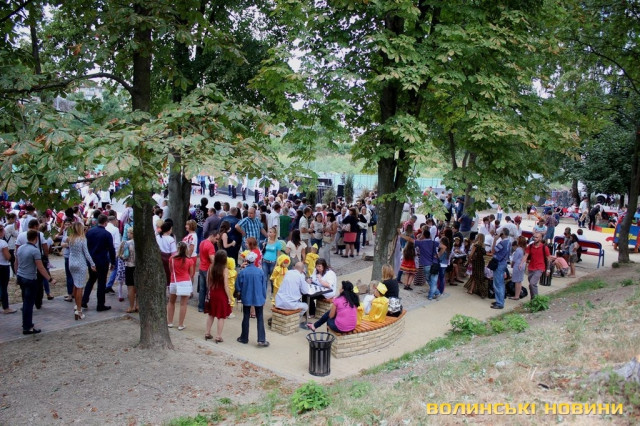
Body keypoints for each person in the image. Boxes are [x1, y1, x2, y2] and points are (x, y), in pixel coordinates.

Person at [17, 230, 57, 334]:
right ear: (36, 238)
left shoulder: (21, 248)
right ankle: (27, 326)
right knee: (29, 303)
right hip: (30, 278)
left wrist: (17, 275)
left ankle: (26, 324)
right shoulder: (35, 251)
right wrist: (50, 279)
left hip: (21, 276)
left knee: (26, 301)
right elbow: (41, 267)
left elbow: (16, 262)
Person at [81, 214, 116, 311]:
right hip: (102, 261)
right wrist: (113, 262)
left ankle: (84, 300)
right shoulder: (107, 234)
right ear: (105, 223)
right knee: (101, 282)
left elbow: (86, 246)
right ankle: (100, 304)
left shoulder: (90, 232)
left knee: (91, 280)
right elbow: (111, 249)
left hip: (91, 260)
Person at [235, 251, 269, 347]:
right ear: (254, 261)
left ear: (246, 260)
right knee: (260, 318)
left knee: (246, 317)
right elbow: (264, 287)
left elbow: (238, 286)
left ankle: (244, 338)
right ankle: (261, 339)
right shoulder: (260, 272)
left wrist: (240, 292)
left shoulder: (243, 272)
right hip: (259, 298)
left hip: (246, 296)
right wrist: (264, 298)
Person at [399, 228, 441, 300]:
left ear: (424, 235)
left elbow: (409, 239)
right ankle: (436, 293)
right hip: (435, 263)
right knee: (433, 281)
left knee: (429, 280)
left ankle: (431, 295)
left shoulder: (421, 243)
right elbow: (444, 247)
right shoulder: (434, 242)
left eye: (422, 234)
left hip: (426, 264)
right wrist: (439, 255)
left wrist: (400, 234)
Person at [67, 222, 96, 319]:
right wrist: (92, 264)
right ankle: (79, 310)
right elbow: (86, 253)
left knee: (76, 284)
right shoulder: (82, 239)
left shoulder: (70, 238)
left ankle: (77, 305)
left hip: (71, 263)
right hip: (80, 263)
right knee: (80, 287)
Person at [204, 250, 232, 342]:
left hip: (212, 292)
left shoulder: (211, 267)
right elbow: (226, 285)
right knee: (221, 316)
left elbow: (207, 281)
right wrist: (229, 297)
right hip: (221, 294)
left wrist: (209, 290)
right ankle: (218, 336)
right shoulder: (225, 269)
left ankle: (207, 333)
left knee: (211, 314)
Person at [167, 242, 196, 331]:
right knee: (183, 304)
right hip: (185, 282)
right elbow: (191, 274)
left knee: (171, 302)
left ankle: (170, 322)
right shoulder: (189, 260)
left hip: (174, 282)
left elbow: (171, 270)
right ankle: (180, 324)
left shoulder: (172, 259)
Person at [520, 232, 552, 300]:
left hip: (540, 268)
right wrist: (521, 263)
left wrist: (548, 269)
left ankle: (536, 300)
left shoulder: (544, 247)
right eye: (534, 237)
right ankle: (533, 299)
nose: (535, 238)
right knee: (531, 284)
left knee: (532, 283)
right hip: (531, 268)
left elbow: (549, 258)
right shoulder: (530, 246)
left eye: (537, 237)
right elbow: (526, 255)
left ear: (540, 238)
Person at [490, 229, 512, 309]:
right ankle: (500, 300)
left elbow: (493, 251)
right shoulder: (509, 242)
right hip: (504, 262)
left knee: (497, 284)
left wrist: (495, 240)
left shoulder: (502, 243)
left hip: (499, 263)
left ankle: (499, 303)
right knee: (501, 283)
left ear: (502, 234)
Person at [197, 231, 218, 312]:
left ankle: (201, 306)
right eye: (216, 239)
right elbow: (212, 259)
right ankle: (209, 307)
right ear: (212, 236)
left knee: (202, 289)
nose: (216, 241)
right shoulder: (210, 246)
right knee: (210, 288)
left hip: (201, 267)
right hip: (208, 269)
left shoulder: (202, 242)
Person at [262, 227, 286, 291]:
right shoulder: (266, 240)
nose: (269, 233)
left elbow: (278, 254)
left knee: (272, 278)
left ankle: (273, 291)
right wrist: (264, 246)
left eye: (270, 232)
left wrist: (276, 264)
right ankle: (264, 292)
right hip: (265, 261)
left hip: (273, 262)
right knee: (264, 278)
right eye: (268, 232)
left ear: (274, 233)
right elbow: (264, 250)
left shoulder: (278, 243)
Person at [0, 225, 16, 314]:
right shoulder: (3, 243)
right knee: (3, 287)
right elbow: (7, 256)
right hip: (3, 266)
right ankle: (6, 307)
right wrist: (10, 255)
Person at [464, 233, 487, 297]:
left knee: (474, 276)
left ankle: (473, 290)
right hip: (481, 262)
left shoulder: (475, 245)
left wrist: (468, 261)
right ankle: (472, 290)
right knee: (478, 276)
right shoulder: (483, 246)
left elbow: (471, 254)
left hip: (475, 262)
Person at [121, 227, 137, 313]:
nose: (127, 234)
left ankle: (131, 306)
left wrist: (121, 256)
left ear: (131, 233)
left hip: (130, 266)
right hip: (138, 267)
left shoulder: (127, 243)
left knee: (130, 287)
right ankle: (138, 305)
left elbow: (125, 256)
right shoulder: (139, 243)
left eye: (128, 232)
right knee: (138, 287)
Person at [156, 222, 177, 287]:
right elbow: (173, 252)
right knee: (169, 275)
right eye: (171, 229)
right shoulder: (171, 239)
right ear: (168, 230)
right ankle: (169, 289)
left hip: (159, 257)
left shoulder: (157, 237)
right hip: (168, 258)